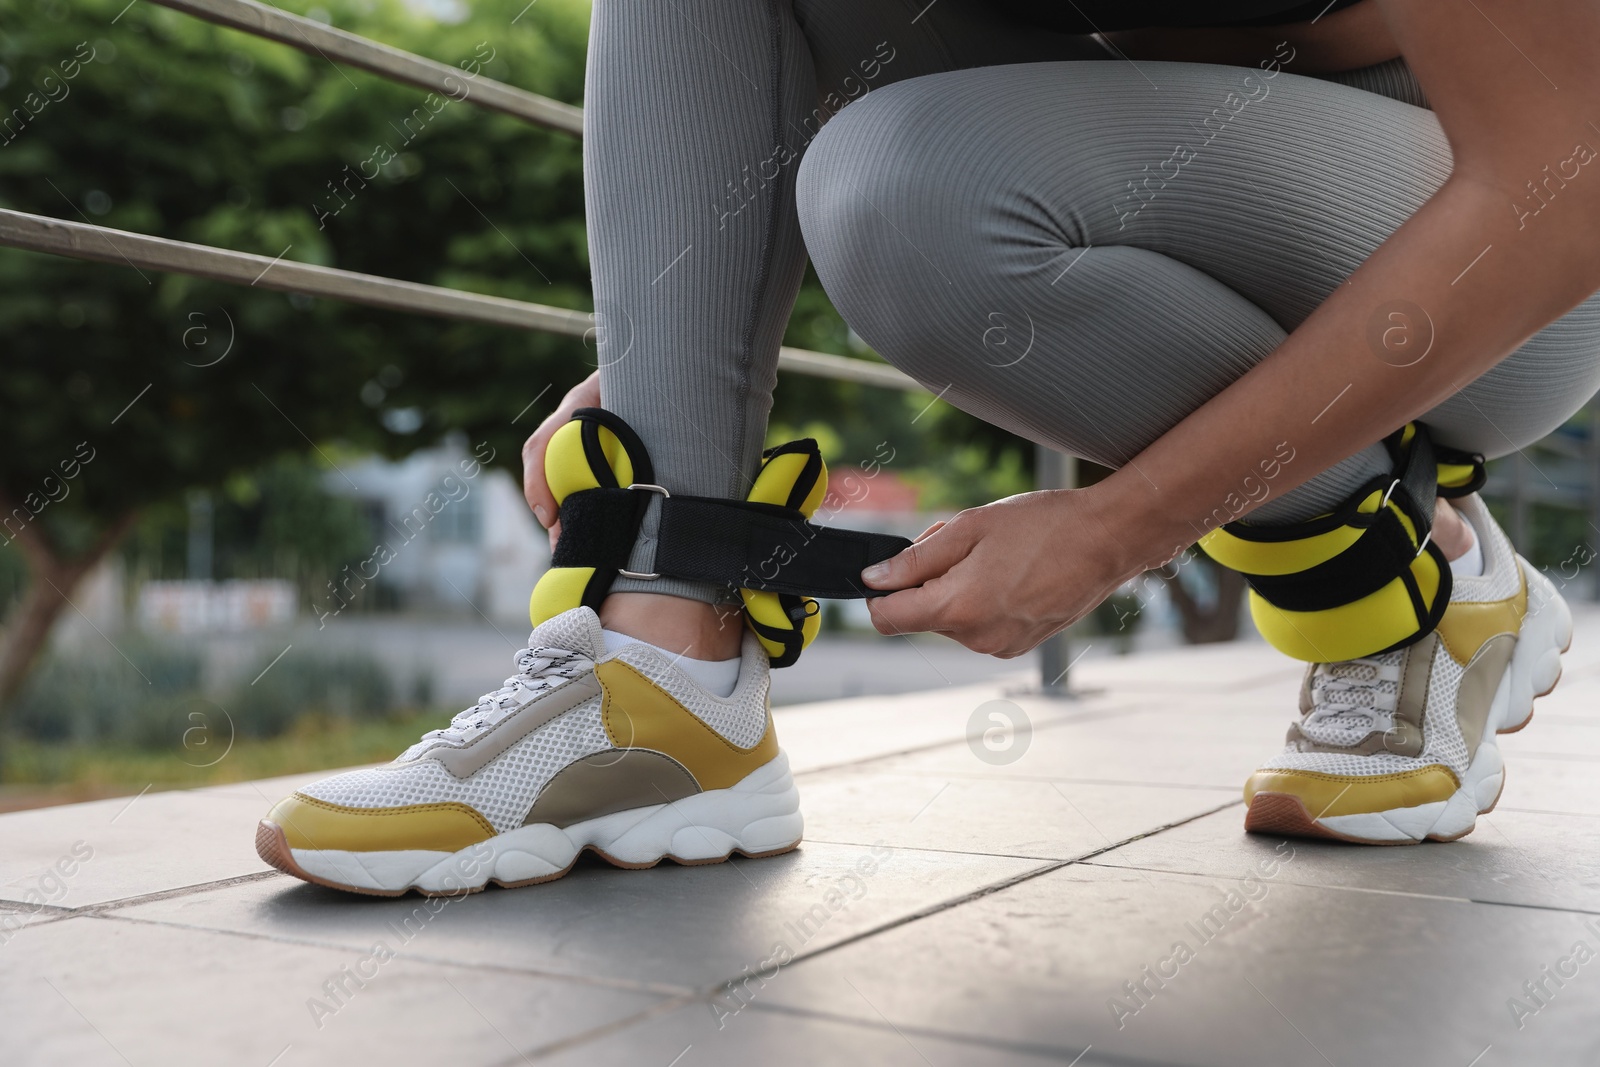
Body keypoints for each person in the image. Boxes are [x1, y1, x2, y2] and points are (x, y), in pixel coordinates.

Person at [257, 0, 1600, 894]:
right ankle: (661, 671)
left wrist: (1122, 527)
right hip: (1144, 133)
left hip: (1497, 236)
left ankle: (1397, 590)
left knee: (913, 193)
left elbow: (1565, 172)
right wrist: (671, 384)